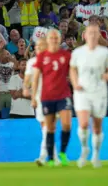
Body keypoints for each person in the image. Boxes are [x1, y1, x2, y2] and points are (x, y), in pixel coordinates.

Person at [70, 24, 108, 168]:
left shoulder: (105, 53)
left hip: (99, 92)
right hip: (82, 92)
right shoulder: (78, 53)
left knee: (97, 126)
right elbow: (72, 70)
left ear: (99, 35)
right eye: (90, 33)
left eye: (95, 33)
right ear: (84, 35)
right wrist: (75, 83)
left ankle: (96, 154)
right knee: (83, 123)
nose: (92, 35)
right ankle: (84, 149)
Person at [31, 30, 72, 167]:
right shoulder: (42, 57)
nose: (54, 39)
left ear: (60, 39)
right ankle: (50, 158)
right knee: (50, 127)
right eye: (52, 37)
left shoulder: (66, 55)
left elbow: (73, 73)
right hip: (47, 96)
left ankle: (62, 153)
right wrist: (33, 97)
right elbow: (36, 78)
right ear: (48, 40)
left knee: (66, 124)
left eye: (56, 37)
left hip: (63, 95)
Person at [23, 39, 60, 165]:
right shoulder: (31, 62)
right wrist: (26, 89)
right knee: (46, 128)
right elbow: (27, 79)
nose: (37, 47)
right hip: (38, 98)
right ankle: (54, 157)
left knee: (47, 127)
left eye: (41, 45)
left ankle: (42, 157)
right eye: (36, 45)